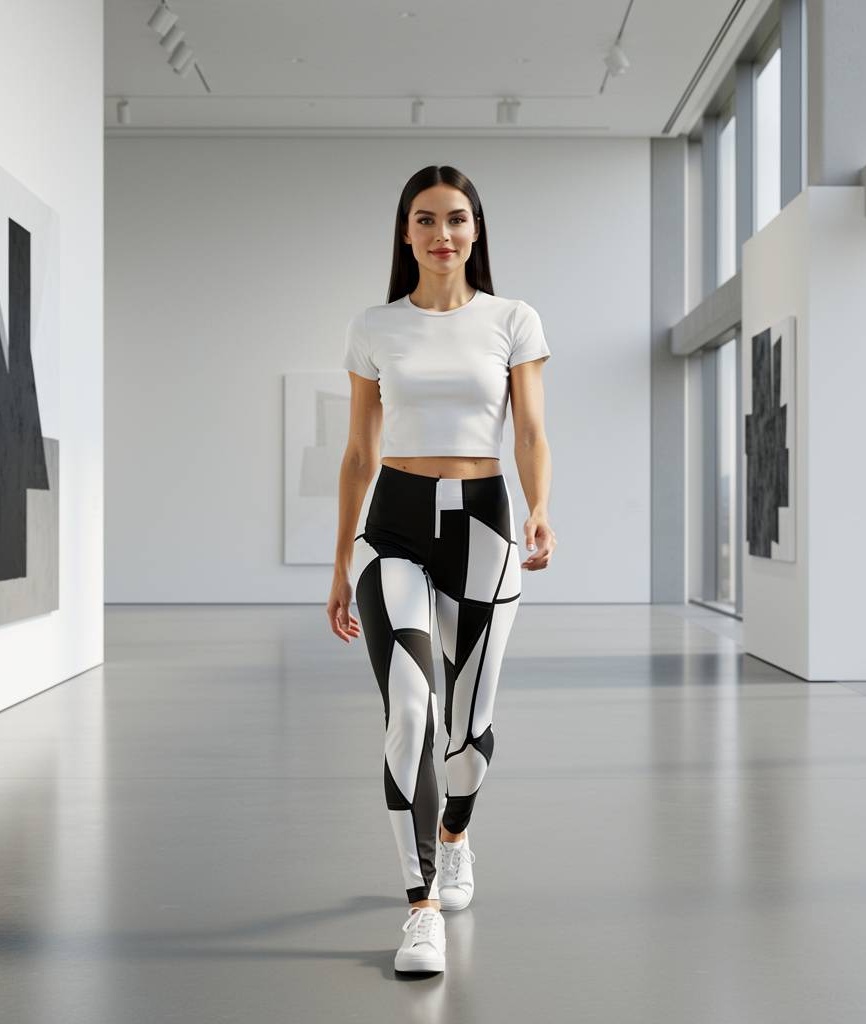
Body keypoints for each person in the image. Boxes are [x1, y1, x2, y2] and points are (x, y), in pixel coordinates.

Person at [326, 164, 556, 975]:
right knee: (410, 709)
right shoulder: (374, 326)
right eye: (425, 220)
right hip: (392, 526)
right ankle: (419, 905)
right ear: (405, 233)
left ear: (476, 230)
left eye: (456, 219)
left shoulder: (513, 320)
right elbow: (358, 450)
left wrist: (537, 505)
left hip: (486, 525)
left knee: (465, 724)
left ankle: (455, 833)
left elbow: (529, 430)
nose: (441, 234)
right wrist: (338, 560)